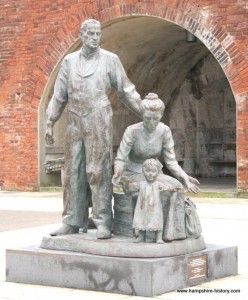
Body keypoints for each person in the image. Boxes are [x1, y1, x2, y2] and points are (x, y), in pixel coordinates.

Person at [45, 19, 142, 239]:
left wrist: (145, 111)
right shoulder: (69, 62)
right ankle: (71, 220)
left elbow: (126, 90)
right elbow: (59, 94)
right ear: (81, 35)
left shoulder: (110, 60)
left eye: (98, 34)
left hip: (98, 117)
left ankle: (103, 221)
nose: (95, 38)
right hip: (74, 119)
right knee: (72, 172)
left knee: (97, 170)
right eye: (91, 34)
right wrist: (50, 122)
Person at [113, 93, 200, 241]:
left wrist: (185, 178)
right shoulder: (132, 131)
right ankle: (144, 233)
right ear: (142, 115)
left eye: (156, 118)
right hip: (133, 172)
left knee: (176, 186)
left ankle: (174, 232)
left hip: (155, 172)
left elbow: (171, 161)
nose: (151, 122)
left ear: (161, 115)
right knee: (148, 188)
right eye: (147, 118)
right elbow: (121, 157)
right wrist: (117, 173)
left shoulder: (164, 131)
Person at [121, 159, 179, 243]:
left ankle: (158, 237)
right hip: (142, 207)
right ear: (143, 171)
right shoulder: (141, 184)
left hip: (155, 207)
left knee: (157, 220)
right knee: (142, 220)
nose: (150, 173)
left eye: (153, 171)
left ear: (158, 172)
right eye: (147, 171)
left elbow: (167, 188)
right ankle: (141, 236)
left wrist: (171, 189)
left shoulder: (158, 184)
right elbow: (131, 188)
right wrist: (125, 183)